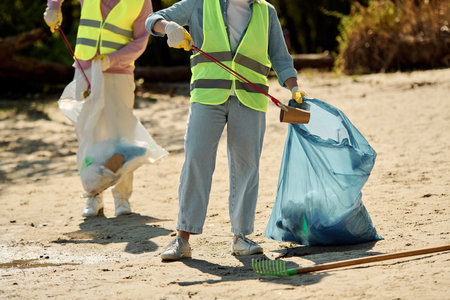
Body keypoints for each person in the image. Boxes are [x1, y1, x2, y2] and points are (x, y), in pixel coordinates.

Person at [145, 0, 306, 261]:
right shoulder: (200, 3)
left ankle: (241, 236)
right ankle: (182, 237)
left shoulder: (266, 11)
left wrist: (294, 87)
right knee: (196, 159)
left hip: (251, 98)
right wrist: (169, 27)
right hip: (207, 95)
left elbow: (280, 58)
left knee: (247, 165)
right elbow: (152, 19)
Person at [43, 0, 154, 217]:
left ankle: (121, 196)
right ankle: (93, 194)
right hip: (85, 68)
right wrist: (54, 6)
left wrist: (112, 59)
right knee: (88, 134)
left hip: (119, 72)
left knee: (121, 135)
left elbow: (141, 40)